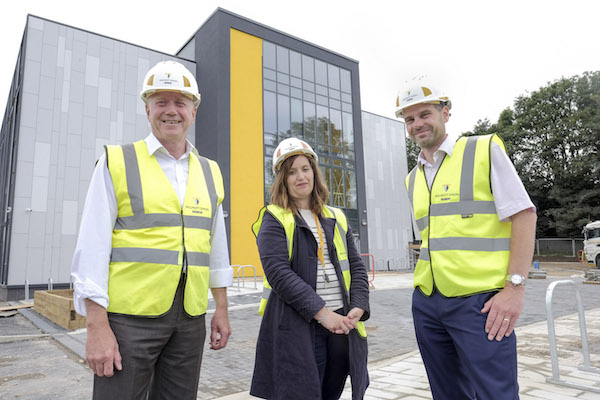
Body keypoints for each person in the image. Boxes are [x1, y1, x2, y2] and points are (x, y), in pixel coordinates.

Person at [71, 60, 233, 400]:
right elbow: (92, 247)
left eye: (180, 102)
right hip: (129, 319)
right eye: (162, 102)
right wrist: (96, 326)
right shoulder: (116, 162)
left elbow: (215, 246)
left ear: (193, 111)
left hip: (189, 318)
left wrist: (221, 308)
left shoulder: (209, 171)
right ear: (147, 110)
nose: (171, 111)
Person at [396, 77, 537, 400]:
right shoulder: (412, 178)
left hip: (481, 304)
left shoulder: (482, 150)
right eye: (409, 119)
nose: (417, 124)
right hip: (428, 303)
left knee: (495, 393)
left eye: (425, 114)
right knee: (447, 394)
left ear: (445, 112)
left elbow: (524, 215)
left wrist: (514, 288)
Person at [249, 138, 370, 400]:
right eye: (291, 171)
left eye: (305, 168)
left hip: (341, 326)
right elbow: (279, 274)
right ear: (282, 179)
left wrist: (359, 305)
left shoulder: (336, 217)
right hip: (299, 329)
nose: (300, 176)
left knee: (331, 393)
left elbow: (357, 267)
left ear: (315, 173)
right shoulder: (273, 217)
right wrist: (323, 314)